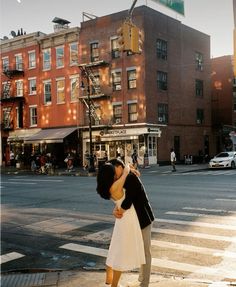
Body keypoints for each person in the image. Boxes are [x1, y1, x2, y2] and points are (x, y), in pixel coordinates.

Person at [97, 159, 154, 287]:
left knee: (145, 252)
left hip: (143, 219)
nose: (114, 175)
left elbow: (127, 201)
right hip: (133, 221)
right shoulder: (122, 178)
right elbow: (120, 197)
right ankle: (141, 278)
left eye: (115, 171)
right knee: (137, 250)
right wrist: (116, 210)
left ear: (119, 166)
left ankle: (144, 283)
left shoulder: (131, 177)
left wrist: (119, 210)